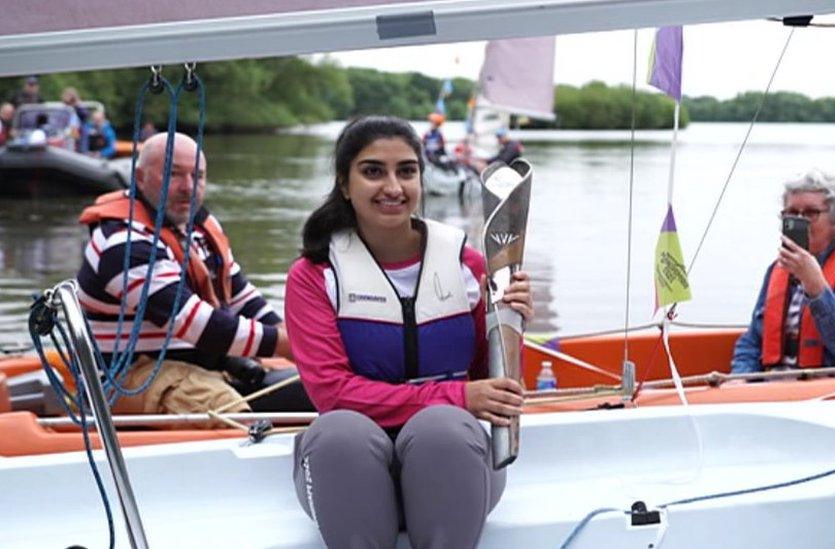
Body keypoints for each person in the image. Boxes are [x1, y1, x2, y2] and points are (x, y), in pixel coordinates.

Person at [286, 116, 533, 548]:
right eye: (373, 171)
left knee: (442, 429)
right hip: (350, 475)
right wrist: (459, 397)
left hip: (453, 464)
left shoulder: (469, 265)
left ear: (421, 177)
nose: (394, 187)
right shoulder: (314, 276)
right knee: (338, 432)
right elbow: (331, 392)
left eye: (406, 170)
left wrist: (511, 327)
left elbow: (497, 386)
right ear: (344, 183)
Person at [76, 132, 313, 415]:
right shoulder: (122, 242)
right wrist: (290, 345)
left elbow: (241, 297)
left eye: (197, 176)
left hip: (199, 368)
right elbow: (196, 324)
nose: (188, 187)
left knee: (314, 393)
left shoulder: (199, 228)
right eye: (173, 174)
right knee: (235, 416)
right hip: (133, 375)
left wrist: (298, 335)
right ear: (139, 177)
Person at [730, 169, 835, 374]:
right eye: (792, 213)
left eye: (810, 213)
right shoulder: (778, 269)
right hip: (778, 386)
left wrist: (816, 289)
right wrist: (739, 377)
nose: (801, 220)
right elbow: (753, 341)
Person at [60, 87, 89, 152]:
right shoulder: (63, 109)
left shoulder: (79, 108)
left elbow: (85, 115)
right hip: (67, 133)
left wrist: (77, 105)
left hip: (78, 134)